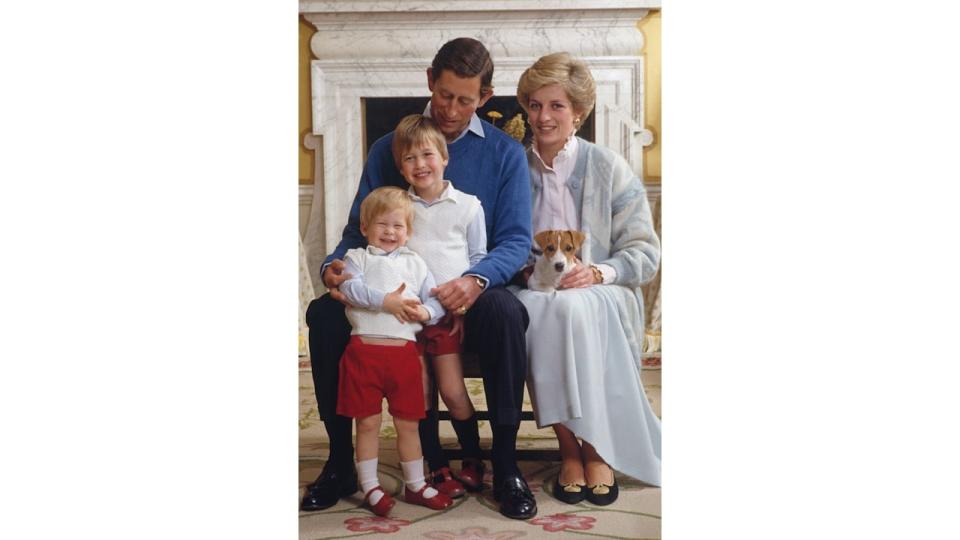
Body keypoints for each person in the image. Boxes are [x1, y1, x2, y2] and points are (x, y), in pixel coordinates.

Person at [301, 37, 536, 520]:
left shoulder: (505, 155)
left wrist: (475, 280)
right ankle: (343, 461)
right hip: (398, 289)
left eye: (464, 100)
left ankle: (505, 463)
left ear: (485, 98)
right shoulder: (391, 147)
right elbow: (358, 228)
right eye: (444, 94)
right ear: (430, 80)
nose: (451, 109)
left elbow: (514, 242)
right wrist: (333, 266)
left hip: (473, 286)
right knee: (323, 313)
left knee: (507, 311)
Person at [512, 52, 662, 506]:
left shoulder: (608, 166)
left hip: (602, 292)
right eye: (535, 105)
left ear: (579, 112)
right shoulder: (513, 167)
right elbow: (500, 241)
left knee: (572, 307)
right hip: (537, 290)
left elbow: (646, 253)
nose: (544, 116)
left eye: (556, 106)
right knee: (541, 308)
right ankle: (568, 446)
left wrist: (597, 270)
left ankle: (595, 447)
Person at [334, 186, 454, 516]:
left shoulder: (416, 264)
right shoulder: (356, 259)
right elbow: (350, 288)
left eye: (398, 226)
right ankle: (370, 485)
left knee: (408, 424)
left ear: (409, 231)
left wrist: (426, 313)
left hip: (403, 358)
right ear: (364, 228)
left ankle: (415, 484)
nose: (390, 232)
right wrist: (386, 301)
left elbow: (434, 300)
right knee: (368, 424)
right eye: (381, 225)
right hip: (364, 355)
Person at [392, 114, 486, 499]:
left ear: (444, 157)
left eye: (427, 155)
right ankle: (436, 463)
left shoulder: (467, 206)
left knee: (452, 391)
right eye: (410, 159)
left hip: (448, 316)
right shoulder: (400, 208)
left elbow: (480, 258)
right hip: (409, 318)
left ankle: (473, 457)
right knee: (421, 392)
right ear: (401, 167)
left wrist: (464, 307)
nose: (420, 165)